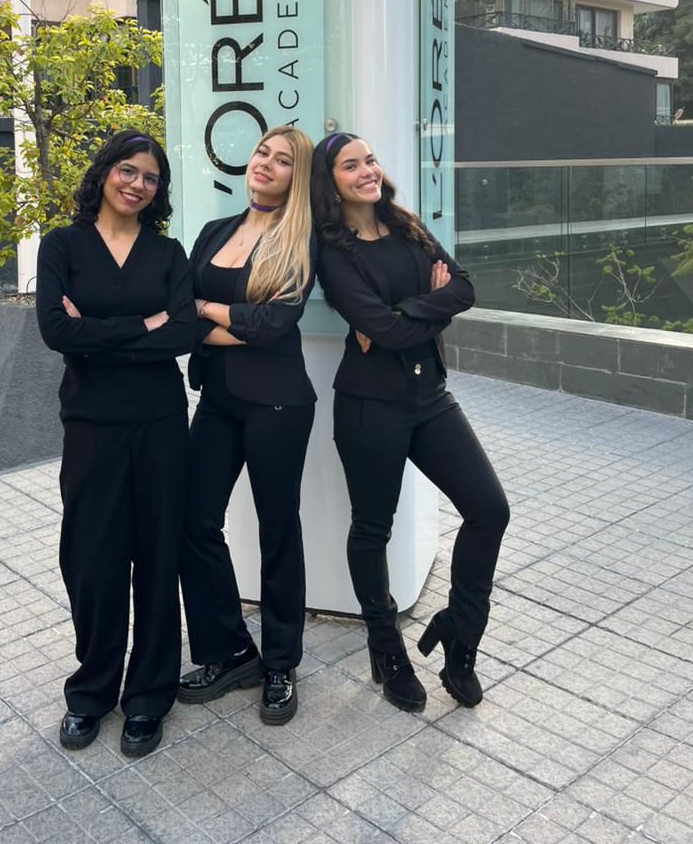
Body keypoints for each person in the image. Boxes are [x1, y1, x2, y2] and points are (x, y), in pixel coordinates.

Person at [310, 133, 509, 713]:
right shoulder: (333, 252)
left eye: (370, 159)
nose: (367, 171)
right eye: (351, 165)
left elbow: (463, 288)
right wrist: (422, 307)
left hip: (429, 396)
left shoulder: (407, 226)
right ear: (331, 182)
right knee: (372, 529)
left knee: (489, 510)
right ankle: (386, 648)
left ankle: (460, 633)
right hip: (369, 405)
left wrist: (403, 313)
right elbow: (387, 330)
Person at [36, 130, 196, 758]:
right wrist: (143, 325)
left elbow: (182, 333)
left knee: (157, 558)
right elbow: (56, 331)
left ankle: (149, 696)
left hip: (160, 424)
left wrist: (97, 335)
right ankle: (91, 690)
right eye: (128, 171)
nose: (138, 184)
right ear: (105, 172)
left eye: (151, 178)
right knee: (92, 559)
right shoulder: (63, 246)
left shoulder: (168, 253)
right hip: (92, 424)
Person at [178, 127, 316, 725]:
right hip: (218, 399)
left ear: (295, 177)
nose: (265, 163)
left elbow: (273, 326)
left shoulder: (300, 240)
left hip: (278, 404)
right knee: (193, 519)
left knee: (277, 529)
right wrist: (229, 320)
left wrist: (207, 311)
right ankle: (231, 649)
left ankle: (281, 663)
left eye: (282, 160)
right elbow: (182, 315)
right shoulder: (215, 231)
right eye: (263, 152)